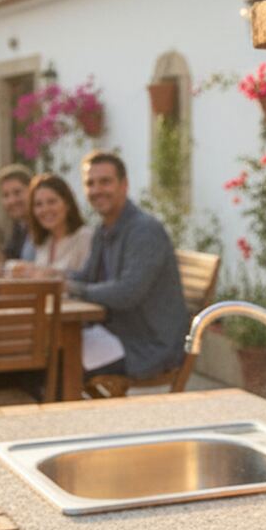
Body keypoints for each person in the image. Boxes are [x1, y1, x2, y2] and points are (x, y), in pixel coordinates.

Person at [67, 152, 188, 379]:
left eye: (105, 182)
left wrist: (74, 289)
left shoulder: (145, 230)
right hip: (114, 335)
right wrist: (55, 279)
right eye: (90, 183)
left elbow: (127, 293)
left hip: (148, 347)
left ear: (124, 185)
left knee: (60, 366)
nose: (96, 190)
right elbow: (87, 277)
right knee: (47, 353)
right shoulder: (103, 230)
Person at [23, 173, 93, 274]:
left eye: (52, 202)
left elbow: (88, 278)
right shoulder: (44, 242)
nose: (45, 209)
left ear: (67, 204)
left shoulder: (85, 237)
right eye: (38, 204)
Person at [0, 164, 35, 262]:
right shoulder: (20, 225)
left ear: (33, 191)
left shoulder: (43, 225)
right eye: (6, 195)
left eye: (17, 193)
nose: (11, 201)